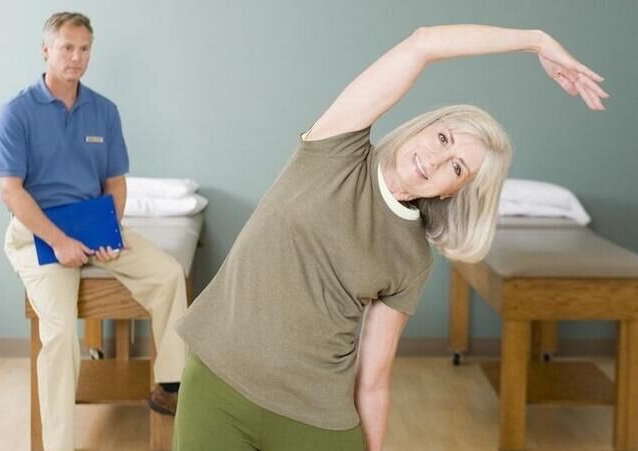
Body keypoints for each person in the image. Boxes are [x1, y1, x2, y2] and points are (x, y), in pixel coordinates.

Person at [171, 24, 606, 451]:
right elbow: (423, 44)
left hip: (315, 417)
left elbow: (374, 380)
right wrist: (535, 41)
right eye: (443, 138)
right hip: (218, 386)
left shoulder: (413, 257)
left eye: (457, 167)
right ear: (425, 126)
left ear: (453, 192)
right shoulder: (337, 148)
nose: (435, 159)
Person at [0, 12, 188, 451]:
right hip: (38, 231)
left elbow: (115, 183)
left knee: (170, 275)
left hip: (94, 224)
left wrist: (109, 230)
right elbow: (11, 192)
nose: (76, 57)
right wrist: (59, 241)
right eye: (67, 47)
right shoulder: (16, 112)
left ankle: (170, 386)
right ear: (46, 50)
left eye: (84, 49)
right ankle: (59, 445)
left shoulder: (104, 111)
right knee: (61, 333)